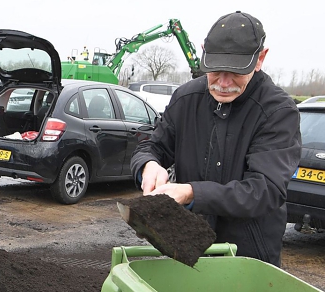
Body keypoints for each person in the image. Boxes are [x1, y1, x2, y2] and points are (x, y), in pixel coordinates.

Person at [129, 10, 301, 269]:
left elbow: (265, 190)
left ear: (260, 58)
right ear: (203, 53)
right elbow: (151, 145)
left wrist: (191, 192)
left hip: (246, 258)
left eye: (235, 72)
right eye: (215, 70)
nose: (223, 82)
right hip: (186, 247)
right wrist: (147, 164)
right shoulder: (186, 98)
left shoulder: (277, 112)